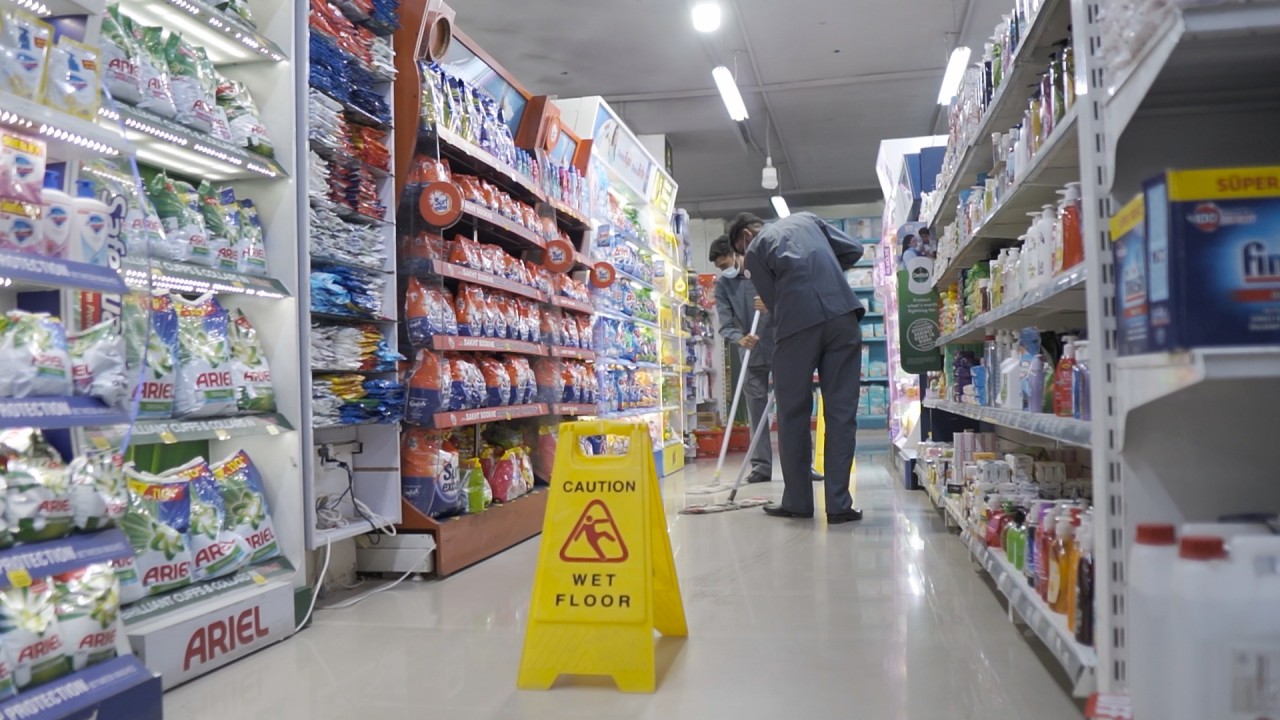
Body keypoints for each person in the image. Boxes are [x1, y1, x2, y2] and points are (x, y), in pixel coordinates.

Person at [729, 211, 864, 524]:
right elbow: (854, 250)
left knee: (793, 414)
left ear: (746, 236)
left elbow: (774, 303)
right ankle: (840, 505)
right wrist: (824, 275)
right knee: (842, 414)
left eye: (739, 250)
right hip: (842, 316)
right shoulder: (808, 219)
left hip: (798, 327)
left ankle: (799, 502)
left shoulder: (754, 249)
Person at [709, 235, 775, 483]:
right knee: (756, 410)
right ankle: (761, 467)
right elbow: (725, 323)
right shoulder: (723, 286)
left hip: (780, 344)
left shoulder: (766, 271)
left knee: (791, 409)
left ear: (737, 254)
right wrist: (739, 337)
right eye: (719, 268)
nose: (723, 271)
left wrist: (772, 303)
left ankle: (801, 465)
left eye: (725, 265)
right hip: (750, 350)